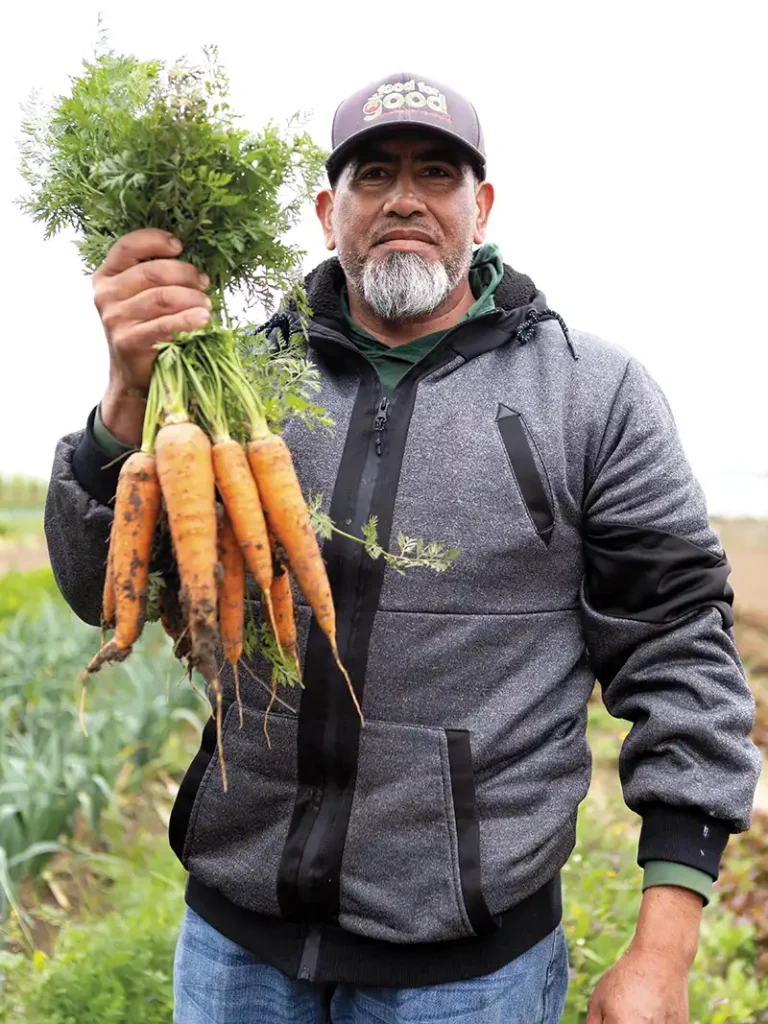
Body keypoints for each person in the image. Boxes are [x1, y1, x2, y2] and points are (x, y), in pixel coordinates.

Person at [45, 73, 761, 1024]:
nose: (406, 200)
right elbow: (103, 589)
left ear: (483, 205)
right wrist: (127, 401)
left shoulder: (592, 396)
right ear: (326, 210)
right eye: (373, 175)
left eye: (438, 173)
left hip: (468, 973)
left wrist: (664, 947)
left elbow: (678, 653)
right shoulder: (232, 380)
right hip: (235, 947)